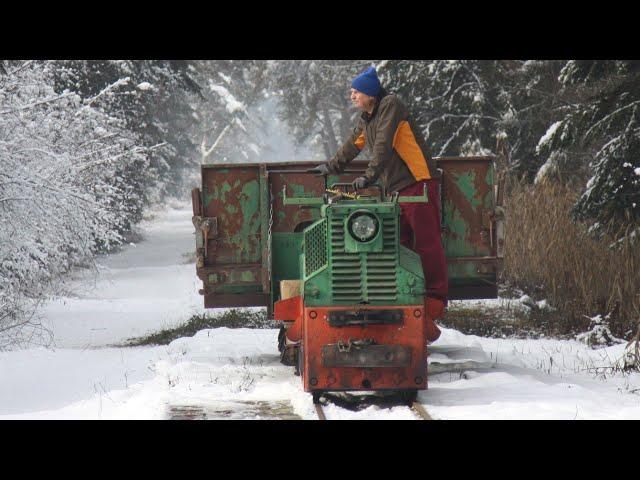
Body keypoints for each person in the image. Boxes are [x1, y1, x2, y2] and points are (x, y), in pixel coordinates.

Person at [312, 66, 447, 342]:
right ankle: (408, 300)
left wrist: (369, 176)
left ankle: (435, 300)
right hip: (396, 191)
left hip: (417, 182)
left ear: (370, 93)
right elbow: (353, 144)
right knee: (401, 246)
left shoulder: (390, 106)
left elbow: (384, 143)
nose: (351, 96)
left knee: (426, 242)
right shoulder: (367, 117)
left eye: (356, 91)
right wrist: (331, 166)